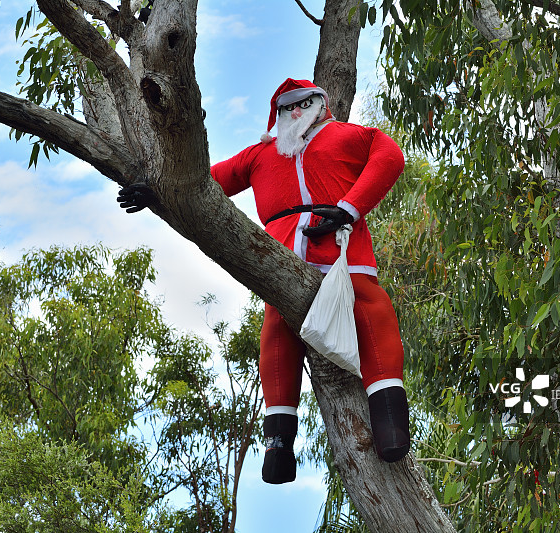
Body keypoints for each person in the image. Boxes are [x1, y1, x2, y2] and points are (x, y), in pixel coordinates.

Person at [117, 78, 410, 485]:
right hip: (282, 258)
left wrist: (348, 208)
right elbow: (203, 180)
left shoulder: (350, 135)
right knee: (276, 332)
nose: (295, 112)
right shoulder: (261, 154)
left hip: (344, 251)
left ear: (320, 104)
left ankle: (392, 420)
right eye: (286, 106)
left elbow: (390, 156)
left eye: (303, 103)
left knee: (372, 309)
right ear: (275, 115)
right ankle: (278, 445)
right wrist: (156, 190)